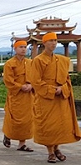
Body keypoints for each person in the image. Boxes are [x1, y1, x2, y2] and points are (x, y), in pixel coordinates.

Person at [28, 32, 81, 163]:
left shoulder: (62, 60)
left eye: (55, 41)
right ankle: (50, 152)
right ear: (44, 43)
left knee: (60, 126)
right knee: (48, 126)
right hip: (46, 98)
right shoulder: (38, 61)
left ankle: (57, 148)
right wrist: (52, 90)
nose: (53, 43)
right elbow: (36, 81)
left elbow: (67, 81)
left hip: (60, 98)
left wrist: (61, 89)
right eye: (50, 40)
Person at [2, 40, 34, 152]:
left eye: (25, 47)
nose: (23, 49)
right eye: (21, 47)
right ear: (15, 49)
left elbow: (36, 77)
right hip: (15, 95)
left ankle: (22, 144)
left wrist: (31, 85)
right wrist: (20, 86)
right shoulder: (9, 64)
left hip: (28, 96)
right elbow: (8, 80)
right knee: (13, 119)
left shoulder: (30, 63)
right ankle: (8, 134)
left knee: (27, 120)